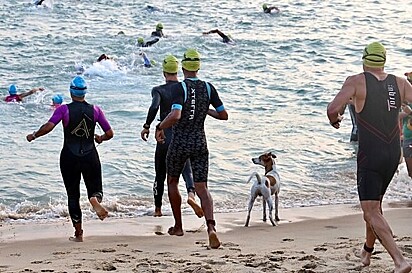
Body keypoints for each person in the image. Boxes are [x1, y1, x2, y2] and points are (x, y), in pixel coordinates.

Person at [327, 42, 412, 273]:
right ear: (384, 61)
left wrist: (335, 120)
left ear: (364, 60)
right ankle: (367, 251)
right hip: (394, 154)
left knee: (371, 210)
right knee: (374, 205)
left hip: (370, 155)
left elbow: (333, 108)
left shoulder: (356, 81)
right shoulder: (401, 83)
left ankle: (400, 261)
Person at [155, 48, 228, 249]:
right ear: (198, 66)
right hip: (200, 142)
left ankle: (178, 226)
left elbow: (176, 115)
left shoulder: (181, 88)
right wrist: (206, 111)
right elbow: (223, 115)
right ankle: (211, 228)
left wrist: (160, 126)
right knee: (202, 187)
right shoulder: (209, 88)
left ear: (184, 66)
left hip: (180, 142)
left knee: (172, 181)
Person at [26, 76, 114, 242]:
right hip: (90, 156)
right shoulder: (95, 110)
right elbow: (110, 133)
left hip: (69, 157)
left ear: (71, 91)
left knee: (73, 196)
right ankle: (94, 199)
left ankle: (78, 233)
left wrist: (34, 135)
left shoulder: (63, 110)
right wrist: (100, 138)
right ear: (85, 92)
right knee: (96, 189)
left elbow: (48, 127)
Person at [141, 54, 203, 218]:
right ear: (178, 70)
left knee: (160, 174)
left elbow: (154, 106)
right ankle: (191, 196)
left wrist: (147, 126)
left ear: (163, 72)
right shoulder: (185, 88)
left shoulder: (159, 90)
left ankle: (158, 209)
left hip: (165, 136)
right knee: (187, 171)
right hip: (183, 134)